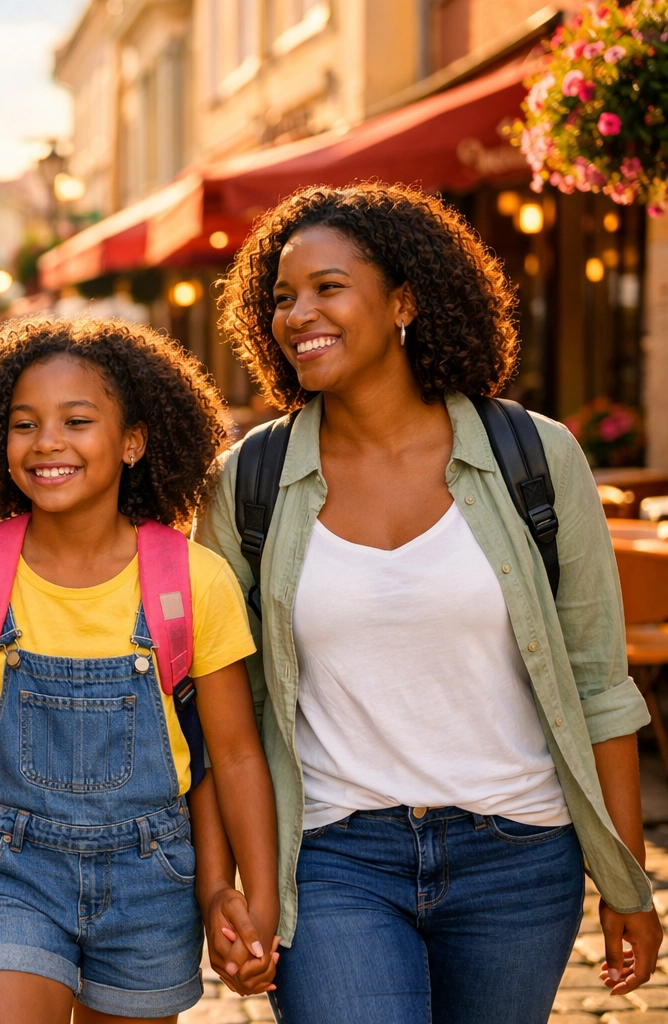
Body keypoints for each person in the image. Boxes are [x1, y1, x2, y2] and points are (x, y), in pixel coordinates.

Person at [198, 182, 662, 1023]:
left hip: (519, 856)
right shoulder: (250, 481)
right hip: (333, 856)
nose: (297, 314)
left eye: (328, 288)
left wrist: (626, 880)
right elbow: (225, 713)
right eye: (283, 297)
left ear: (404, 301)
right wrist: (231, 886)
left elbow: (599, 681)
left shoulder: (536, 456)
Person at [0, 317, 279, 1022]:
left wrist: (252, 898)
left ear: (133, 442)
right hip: (11, 873)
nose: (47, 442)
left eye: (77, 420)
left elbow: (237, 756)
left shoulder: (194, 583)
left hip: (153, 884)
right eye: (24, 424)